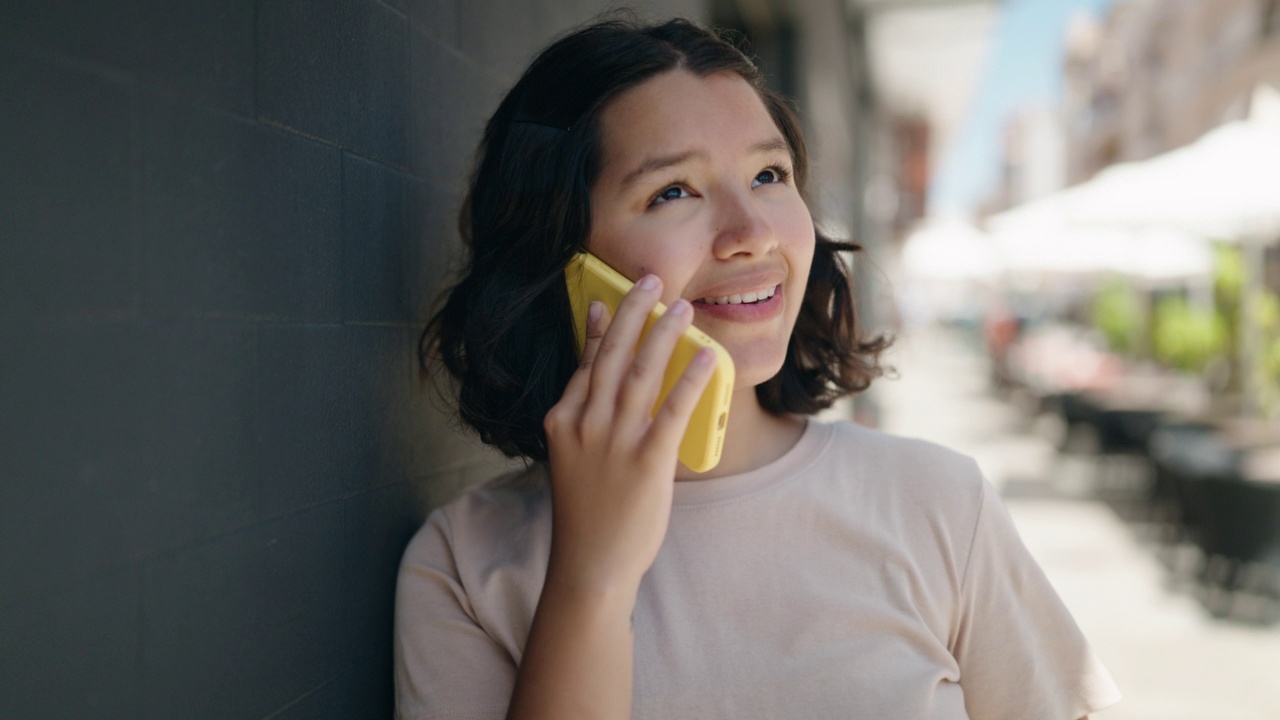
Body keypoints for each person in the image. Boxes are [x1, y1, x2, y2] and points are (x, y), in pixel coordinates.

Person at [396, 15, 1121, 720]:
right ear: (561, 262)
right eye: (672, 191)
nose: (752, 234)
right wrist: (592, 579)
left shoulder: (938, 504)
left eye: (770, 174)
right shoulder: (465, 563)